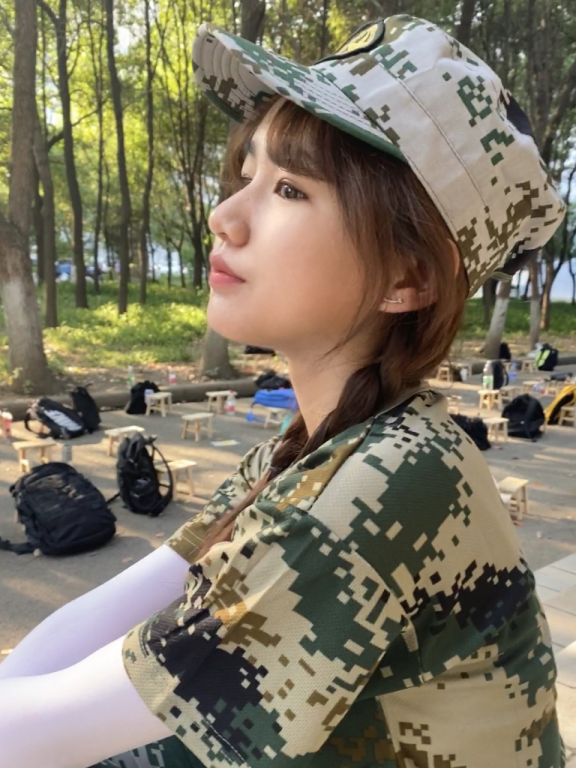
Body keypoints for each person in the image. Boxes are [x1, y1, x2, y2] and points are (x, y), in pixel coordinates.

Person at [0, 15, 566, 769]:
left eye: (290, 189)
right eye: (247, 177)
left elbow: (27, 736)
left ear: (408, 276)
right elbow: (98, 631)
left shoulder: (385, 483)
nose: (224, 216)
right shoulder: (312, 448)